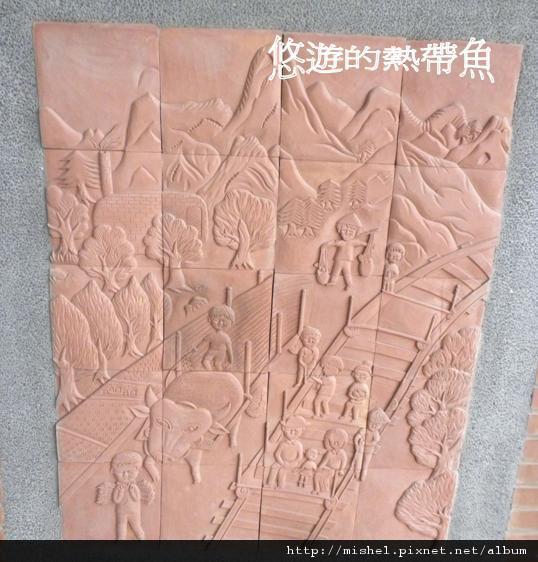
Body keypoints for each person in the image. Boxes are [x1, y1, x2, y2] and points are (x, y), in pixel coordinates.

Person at [322, 214, 368, 289]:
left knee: (347, 273)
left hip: (347, 260)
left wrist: (368, 245)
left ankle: (349, 284)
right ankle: (333, 281)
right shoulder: (341, 242)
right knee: (335, 271)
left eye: (351, 232)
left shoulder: (353, 242)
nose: (347, 233)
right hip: (339, 259)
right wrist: (326, 244)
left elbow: (361, 243)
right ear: (340, 231)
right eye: (344, 230)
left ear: (356, 233)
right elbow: (333, 242)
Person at [266, 416, 306, 489]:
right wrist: (282, 462)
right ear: (284, 430)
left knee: (282, 471)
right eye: (289, 430)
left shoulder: (298, 445)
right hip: (281, 461)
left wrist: (292, 463)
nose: (292, 432)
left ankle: (280, 485)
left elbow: (299, 457)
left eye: (295, 431)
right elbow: (277, 454)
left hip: (293, 463)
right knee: (274, 467)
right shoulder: (283, 444)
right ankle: (269, 483)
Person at [197, 305, 235, 370]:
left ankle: (213, 374)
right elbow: (203, 342)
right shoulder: (221, 336)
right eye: (217, 320)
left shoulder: (224, 337)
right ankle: (213, 374)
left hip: (217, 351)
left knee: (212, 363)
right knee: (213, 363)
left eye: (223, 321)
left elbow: (229, 349)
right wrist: (231, 361)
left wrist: (231, 361)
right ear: (210, 320)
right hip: (215, 351)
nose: (220, 323)